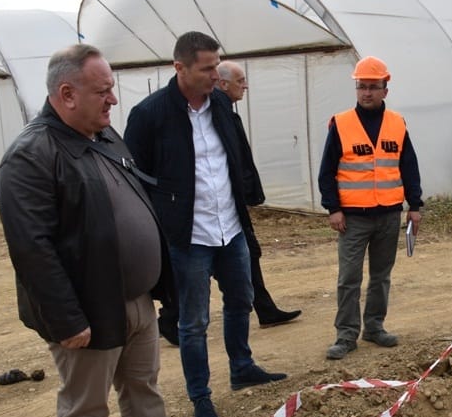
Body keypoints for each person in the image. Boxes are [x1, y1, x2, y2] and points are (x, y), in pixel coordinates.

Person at [0, 44, 216, 417]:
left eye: (111, 88)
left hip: (134, 297)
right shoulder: (32, 156)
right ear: (67, 93)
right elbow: (33, 250)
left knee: (143, 385)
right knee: (86, 404)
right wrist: (66, 319)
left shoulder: (102, 136)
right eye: (103, 90)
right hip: (87, 309)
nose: (112, 99)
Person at [124, 31, 286, 417]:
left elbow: (234, 158)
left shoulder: (219, 104)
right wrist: (161, 225)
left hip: (230, 228)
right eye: (207, 68)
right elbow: (134, 177)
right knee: (193, 322)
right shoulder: (150, 115)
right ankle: (201, 396)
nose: (216, 74)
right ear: (179, 67)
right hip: (188, 237)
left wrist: (247, 204)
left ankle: (242, 367)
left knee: (240, 301)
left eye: (217, 65)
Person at [155, 60, 302, 345]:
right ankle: (171, 318)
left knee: (249, 256)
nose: (245, 85)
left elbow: (238, 159)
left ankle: (265, 308)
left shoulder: (225, 113)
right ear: (221, 84)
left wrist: (249, 191)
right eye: (240, 80)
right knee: (201, 270)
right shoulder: (204, 115)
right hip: (207, 213)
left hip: (231, 206)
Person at [317, 55, 423, 360]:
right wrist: (333, 208)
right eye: (362, 87)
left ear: (385, 90)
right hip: (352, 218)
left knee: (381, 276)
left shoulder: (397, 123)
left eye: (373, 87)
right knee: (349, 278)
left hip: (389, 215)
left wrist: (415, 206)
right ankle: (346, 335)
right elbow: (327, 171)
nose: (366, 93)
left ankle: (374, 327)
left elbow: (409, 167)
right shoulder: (341, 124)